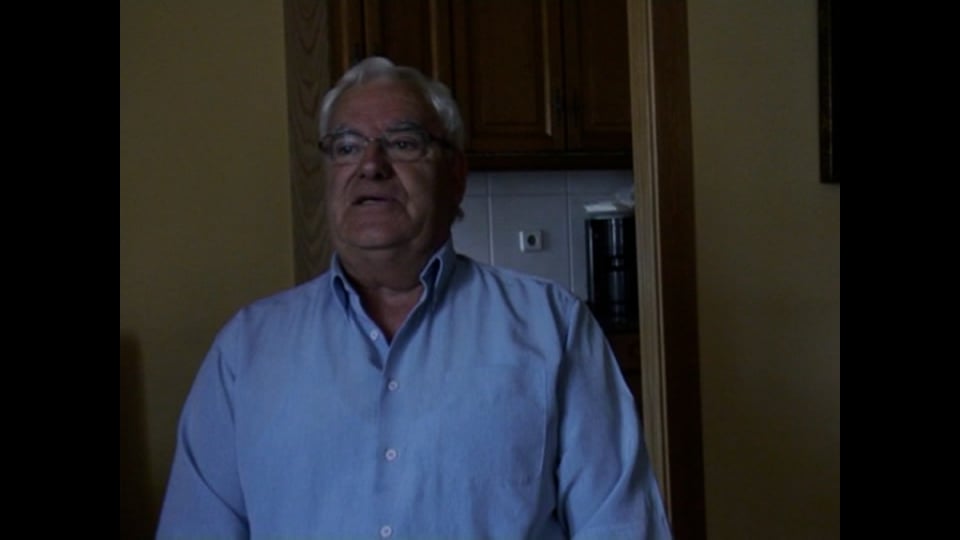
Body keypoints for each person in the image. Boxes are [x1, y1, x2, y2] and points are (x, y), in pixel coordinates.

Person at [156, 56, 672, 539]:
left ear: (456, 176)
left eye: (403, 143)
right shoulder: (246, 350)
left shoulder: (553, 326)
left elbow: (620, 525)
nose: (370, 165)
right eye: (346, 146)